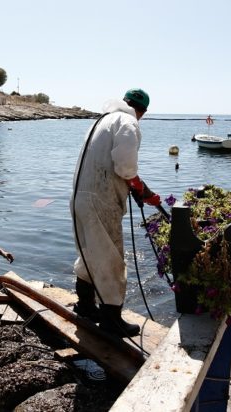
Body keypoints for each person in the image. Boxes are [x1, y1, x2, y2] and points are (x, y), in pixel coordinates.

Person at [70, 88, 161, 337]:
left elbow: (113, 165)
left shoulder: (102, 120)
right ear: (142, 111)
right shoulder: (128, 122)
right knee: (111, 258)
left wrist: (136, 187)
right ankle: (112, 320)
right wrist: (141, 189)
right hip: (101, 201)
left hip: (80, 197)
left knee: (89, 253)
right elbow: (125, 166)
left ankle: (86, 307)